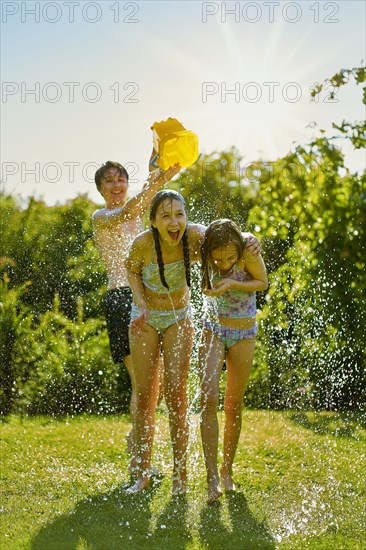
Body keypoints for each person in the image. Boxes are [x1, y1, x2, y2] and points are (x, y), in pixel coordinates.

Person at [125, 191, 261, 495]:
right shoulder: (143, 243)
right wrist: (139, 303)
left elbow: (227, 236)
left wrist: (251, 237)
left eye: (179, 214)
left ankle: (180, 474)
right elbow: (132, 270)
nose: (174, 222)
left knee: (176, 394)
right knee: (147, 395)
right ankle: (143, 473)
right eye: (166, 216)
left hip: (179, 317)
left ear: (186, 217)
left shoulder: (195, 237)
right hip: (144, 318)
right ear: (154, 221)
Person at [92, 157, 180, 465]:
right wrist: (156, 182)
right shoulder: (101, 216)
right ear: (101, 189)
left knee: (157, 384)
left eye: (120, 180)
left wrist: (160, 171)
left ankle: (137, 440)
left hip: (148, 296)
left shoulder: (138, 208)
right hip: (121, 298)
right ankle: (141, 457)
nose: (116, 185)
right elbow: (131, 209)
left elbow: (148, 198)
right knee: (143, 383)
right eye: (109, 181)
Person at [198, 219, 268, 503]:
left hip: (243, 332)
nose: (225, 262)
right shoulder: (202, 248)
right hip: (213, 329)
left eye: (230, 257)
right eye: (218, 258)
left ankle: (227, 471)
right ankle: (211, 475)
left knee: (233, 404)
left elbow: (262, 282)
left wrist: (230, 284)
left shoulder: (248, 247)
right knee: (209, 397)